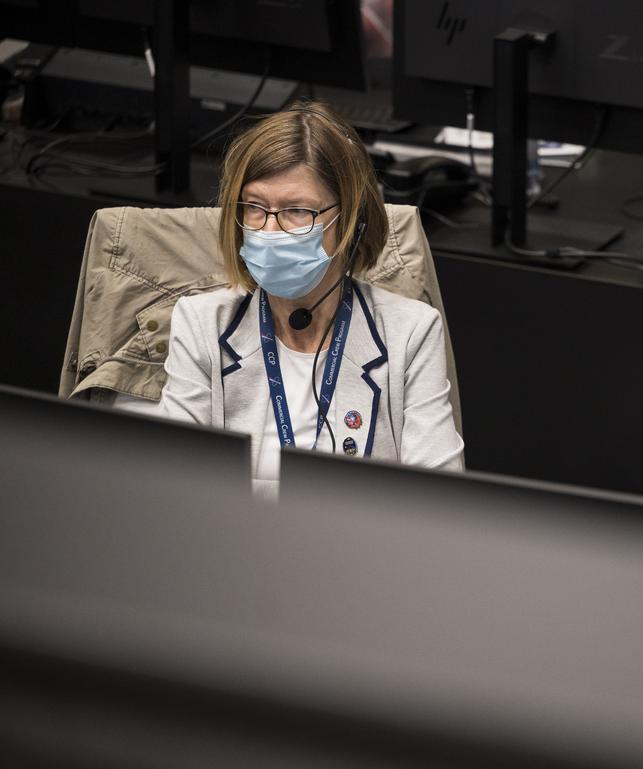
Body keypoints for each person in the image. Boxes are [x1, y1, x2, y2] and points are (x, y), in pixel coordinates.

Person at [159, 102, 464, 495]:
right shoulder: (202, 324)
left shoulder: (410, 333)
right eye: (254, 207)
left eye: (297, 211)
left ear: (351, 220)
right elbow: (171, 484)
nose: (270, 228)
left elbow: (441, 501)